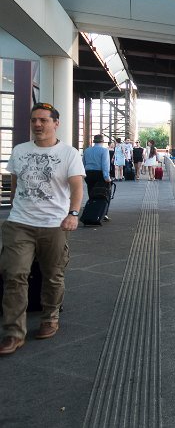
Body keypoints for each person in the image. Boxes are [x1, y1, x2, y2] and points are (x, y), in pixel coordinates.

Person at [0, 102, 85, 356]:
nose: (38, 124)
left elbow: (76, 186)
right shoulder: (20, 150)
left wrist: (73, 214)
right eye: (34, 120)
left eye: (44, 120)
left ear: (55, 123)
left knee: (53, 274)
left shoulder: (68, 153)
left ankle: (50, 317)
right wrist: (16, 206)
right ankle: (13, 332)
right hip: (20, 223)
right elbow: (14, 182)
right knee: (14, 274)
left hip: (54, 224)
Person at [83, 134, 112, 221]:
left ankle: (92, 212)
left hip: (88, 174)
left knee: (91, 193)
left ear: (94, 141)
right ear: (102, 141)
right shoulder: (104, 150)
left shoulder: (87, 150)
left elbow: (83, 162)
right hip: (99, 174)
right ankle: (103, 213)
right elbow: (105, 164)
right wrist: (107, 177)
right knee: (103, 193)